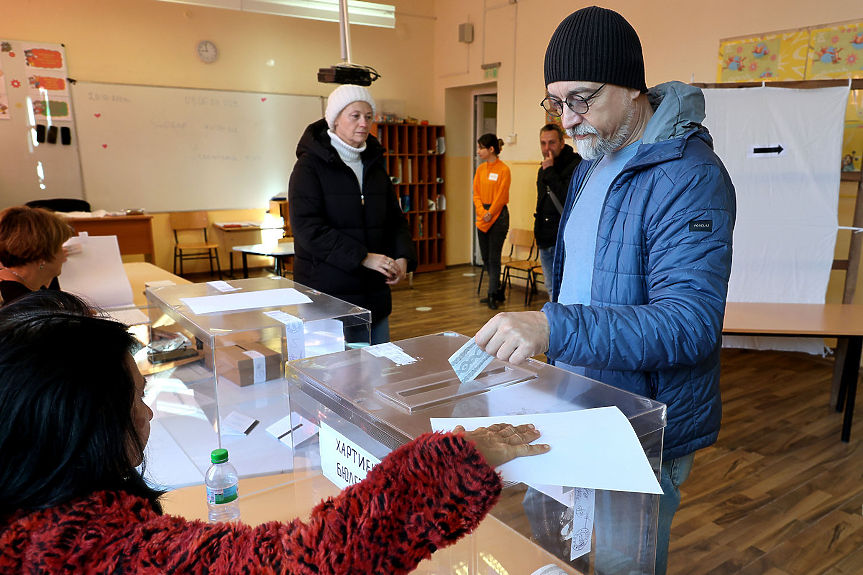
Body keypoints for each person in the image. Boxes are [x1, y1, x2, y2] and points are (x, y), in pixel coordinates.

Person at [0, 290, 549, 574]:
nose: (148, 413)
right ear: (76, 424)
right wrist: (444, 467)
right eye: (135, 398)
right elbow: (308, 562)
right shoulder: (78, 550)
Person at [473, 7, 736, 574]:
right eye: (555, 101)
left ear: (632, 87)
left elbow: (689, 324)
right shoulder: (592, 162)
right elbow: (582, 279)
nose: (567, 120)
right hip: (571, 400)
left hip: (640, 424)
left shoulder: (690, 176)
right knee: (555, 551)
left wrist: (552, 326)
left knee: (622, 563)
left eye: (581, 98)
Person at [289, 84, 417, 345]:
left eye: (369, 117)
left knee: (377, 374)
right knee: (332, 378)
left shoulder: (374, 166)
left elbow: (395, 219)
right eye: (355, 115)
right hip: (326, 298)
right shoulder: (309, 167)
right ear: (334, 119)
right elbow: (309, 230)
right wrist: (364, 258)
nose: (363, 123)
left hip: (374, 296)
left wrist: (403, 256)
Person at [534, 124, 581, 300]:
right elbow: (541, 202)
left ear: (562, 142)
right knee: (551, 288)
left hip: (563, 240)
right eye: (543, 143)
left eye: (551, 142)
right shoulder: (544, 168)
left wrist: (550, 171)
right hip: (544, 238)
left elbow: (566, 198)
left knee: (564, 291)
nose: (547, 148)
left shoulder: (576, 165)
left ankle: (562, 326)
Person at [0, 205, 72, 306]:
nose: (64, 253)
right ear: (42, 257)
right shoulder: (23, 303)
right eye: (60, 247)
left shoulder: (20, 285)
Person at [473, 133, 511, 310]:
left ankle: (491, 295)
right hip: (483, 217)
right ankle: (497, 289)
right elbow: (476, 194)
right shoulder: (480, 170)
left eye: (481, 147)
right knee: (486, 258)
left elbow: (502, 196)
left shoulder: (503, 170)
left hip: (498, 217)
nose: (478, 151)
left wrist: (491, 213)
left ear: (491, 149)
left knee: (494, 259)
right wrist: (483, 212)